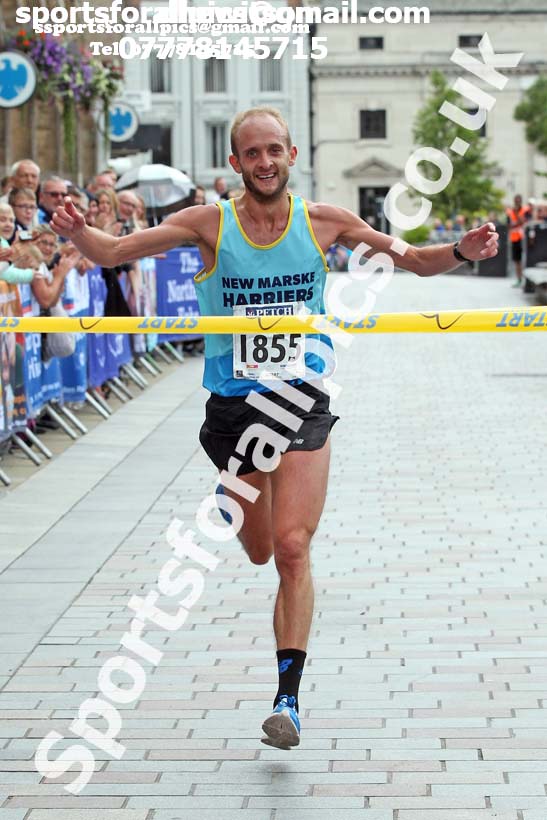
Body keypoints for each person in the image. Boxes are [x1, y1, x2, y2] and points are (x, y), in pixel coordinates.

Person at [51, 106, 499, 750]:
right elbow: (114, 252)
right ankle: (236, 499)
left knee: (291, 549)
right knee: (259, 548)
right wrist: (78, 232)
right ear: (235, 163)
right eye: (252, 154)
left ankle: (287, 699)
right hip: (234, 411)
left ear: (292, 155)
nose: (265, 162)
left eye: (274, 151)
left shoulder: (327, 223)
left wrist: (462, 250)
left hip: (300, 399)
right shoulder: (209, 223)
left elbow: (418, 261)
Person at [506, 194, 531, 287]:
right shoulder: (510, 212)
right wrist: (517, 223)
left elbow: (524, 221)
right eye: (516, 200)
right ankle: (519, 280)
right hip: (514, 238)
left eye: (518, 200)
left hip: (523, 239)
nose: (517, 202)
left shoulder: (525, 210)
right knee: (517, 260)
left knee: (524, 260)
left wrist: (517, 218)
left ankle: (524, 280)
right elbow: (509, 225)